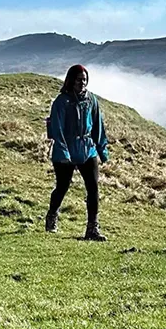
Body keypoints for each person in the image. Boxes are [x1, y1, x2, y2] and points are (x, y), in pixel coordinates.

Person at [45, 65, 109, 241]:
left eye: (85, 79)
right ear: (71, 80)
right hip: (66, 151)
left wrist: (102, 150)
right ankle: (52, 215)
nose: (83, 82)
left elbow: (98, 126)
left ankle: (92, 230)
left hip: (88, 150)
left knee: (93, 188)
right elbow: (57, 130)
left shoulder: (91, 100)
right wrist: (64, 153)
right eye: (79, 79)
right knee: (62, 187)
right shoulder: (61, 101)